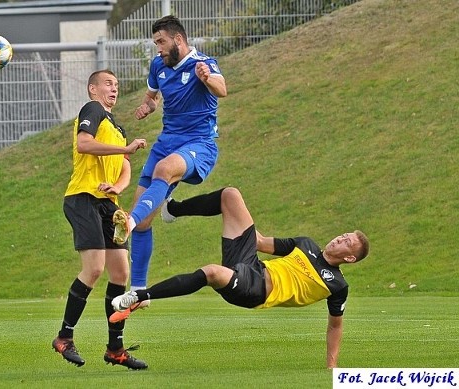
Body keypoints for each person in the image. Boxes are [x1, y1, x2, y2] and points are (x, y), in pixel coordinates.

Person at [111, 187, 370, 368]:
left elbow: (335, 325)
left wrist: (331, 367)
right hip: (251, 265)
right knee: (231, 195)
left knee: (212, 272)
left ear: (349, 258)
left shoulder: (337, 285)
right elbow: (259, 242)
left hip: (256, 290)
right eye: (344, 234)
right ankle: (173, 209)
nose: (340, 237)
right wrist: (237, 217)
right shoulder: (306, 244)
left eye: (347, 241)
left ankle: (139, 296)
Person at [112, 15, 228, 304]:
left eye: (161, 42)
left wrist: (207, 79)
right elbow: (153, 97)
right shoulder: (158, 66)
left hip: (199, 145)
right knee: (143, 224)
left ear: (178, 39)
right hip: (167, 143)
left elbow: (221, 89)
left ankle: (129, 219)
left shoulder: (202, 63)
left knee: (160, 177)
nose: (158, 48)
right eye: (155, 43)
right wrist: (146, 106)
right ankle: (139, 291)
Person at [52, 70, 148, 370]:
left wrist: (117, 187)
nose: (114, 89)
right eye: (108, 84)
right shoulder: (92, 110)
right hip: (83, 197)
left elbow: (125, 168)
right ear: (92, 88)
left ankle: (115, 349)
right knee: (94, 268)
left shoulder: (116, 126)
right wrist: (125, 148)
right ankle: (64, 337)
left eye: (117, 85)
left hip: (107, 204)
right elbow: (84, 144)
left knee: (120, 273)